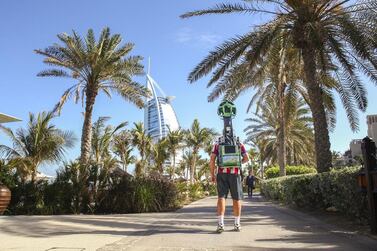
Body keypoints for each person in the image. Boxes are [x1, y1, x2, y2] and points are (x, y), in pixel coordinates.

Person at [210, 142, 249, 233]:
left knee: (221, 197)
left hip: (221, 173)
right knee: (237, 198)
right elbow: (247, 158)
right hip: (235, 174)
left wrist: (212, 174)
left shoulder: (217, 144)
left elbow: (212, 160)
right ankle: (237, 224)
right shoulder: (239, 143)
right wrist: (239, 163)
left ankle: (221, 224)